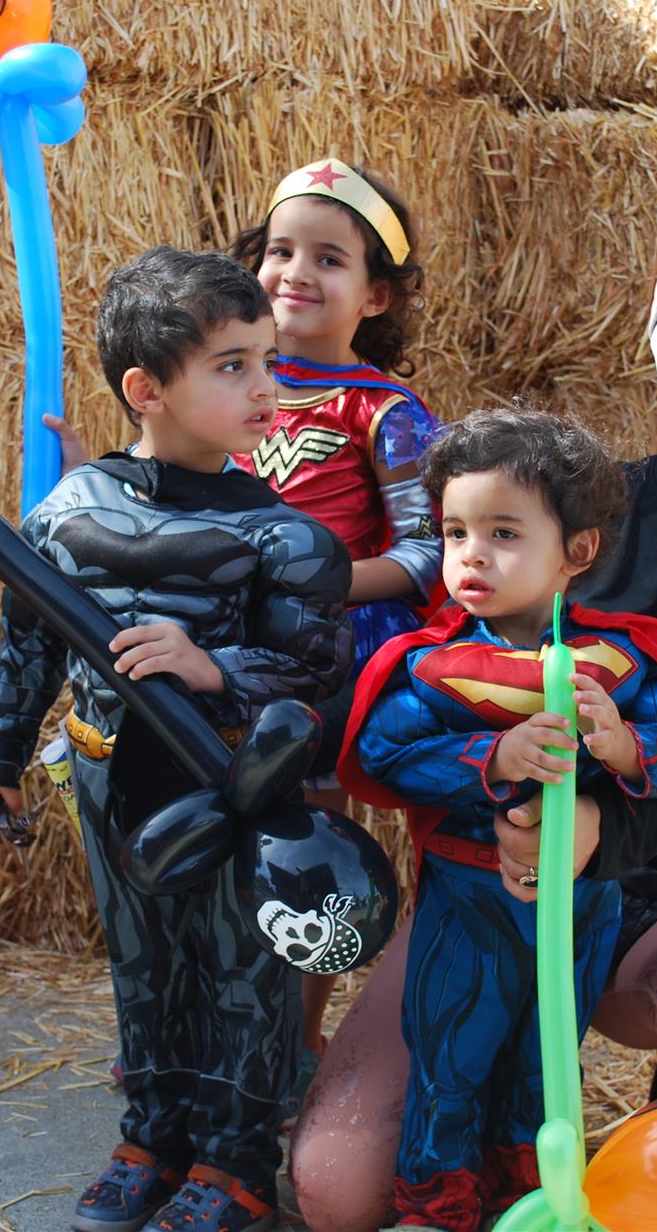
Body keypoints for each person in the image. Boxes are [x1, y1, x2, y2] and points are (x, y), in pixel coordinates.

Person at [290, 230, 657, 1231]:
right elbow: (442, 678)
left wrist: (603, 828)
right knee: (334, 1192)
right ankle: (485, 1163)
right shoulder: (559, 508)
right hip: (492, 882)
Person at [0, 247, 352, 1232]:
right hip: (111, 780)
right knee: (145, 971)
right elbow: (28, 646)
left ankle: (234, 1163)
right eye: (231, 365)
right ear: (147, 390)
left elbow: (318, 683)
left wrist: (212, 666)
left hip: (234, 790)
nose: (264, 385)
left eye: (266, 359)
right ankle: (153, 1136)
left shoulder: (290, 542)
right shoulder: (68, 514)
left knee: (242, 975)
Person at [333, 408, 657, 1230]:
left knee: (545, 1052)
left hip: (584, 900)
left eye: (503, 532)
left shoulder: (625, 662)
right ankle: (435, 1200)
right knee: (453, 1050)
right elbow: (381, 753)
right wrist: (492, 759)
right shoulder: (430, 667)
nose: (471, 554)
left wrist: (625, 746)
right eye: (454, 531)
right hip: (468, 900)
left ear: (577, 552)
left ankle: (534, 1193)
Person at [229, 158, 443, 1086]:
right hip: (215, 651)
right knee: (207, 837)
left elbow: (431, 551)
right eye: (279, 251)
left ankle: (290, 1039)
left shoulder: (385, 412)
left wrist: (320, 586)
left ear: (376, 294)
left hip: (319, 659)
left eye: (328, 258)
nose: (295, 273)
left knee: (301, 854)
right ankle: (213, 1026)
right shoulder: (227, 386)